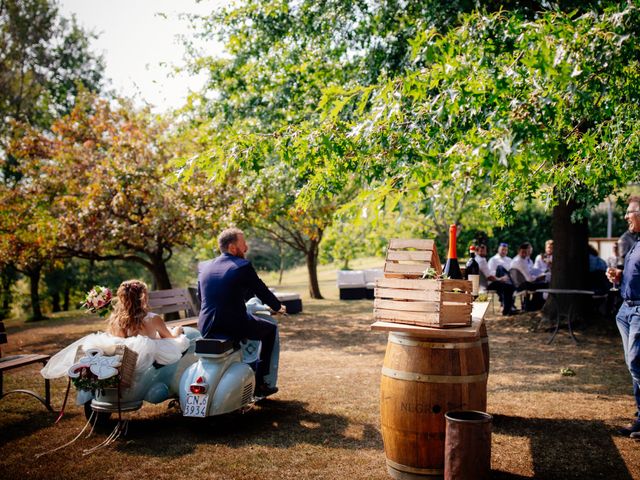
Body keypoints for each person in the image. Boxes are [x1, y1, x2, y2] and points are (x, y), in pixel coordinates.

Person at [41, 280, 189, 380]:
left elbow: (125, 338)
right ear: (143, 298)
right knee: (181, 342)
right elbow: (169, 338)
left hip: (120, 356)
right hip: (142, 357)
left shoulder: (115, 318)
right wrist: (177, 331)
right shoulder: (152, 318)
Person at [198, 227, 285, 397]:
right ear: (232, 248)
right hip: (234, 325)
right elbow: (261, 290)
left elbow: (200, 296)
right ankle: (260, 382)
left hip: (206, 325)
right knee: (270, 330)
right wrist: (277, 307)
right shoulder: (242, 266)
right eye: (243, 244)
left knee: (248, 321)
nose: (246, 249)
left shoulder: (204, 267)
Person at [607, 196, 640, 437]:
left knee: (637, 363)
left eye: (631, 212)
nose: (627, 215)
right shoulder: (636, 242)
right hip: (626, 310)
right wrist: (619, 276)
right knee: (634, 365)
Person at [476, 244, 517, 315]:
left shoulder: (509, 259)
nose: (504, 251)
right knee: (502, 273)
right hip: (489, 283)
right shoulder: (489, 260)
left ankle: (508, 308)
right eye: (502, 250)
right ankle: (508, 309)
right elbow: (489, 276)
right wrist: (500, 279)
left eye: (505, 250)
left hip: (499, 280)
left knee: (508, 285)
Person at [510, 242, 549, 311]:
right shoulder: (521, 261)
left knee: (541, 283)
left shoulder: (518, 259)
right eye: (523, 252)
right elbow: (529, 279)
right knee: (545, 284)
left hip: (519, 284)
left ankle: (533, 305)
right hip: (522, 285)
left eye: (526, 252)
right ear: (519, 251)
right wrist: (538, 277)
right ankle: (534, 306)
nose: (525, 254)